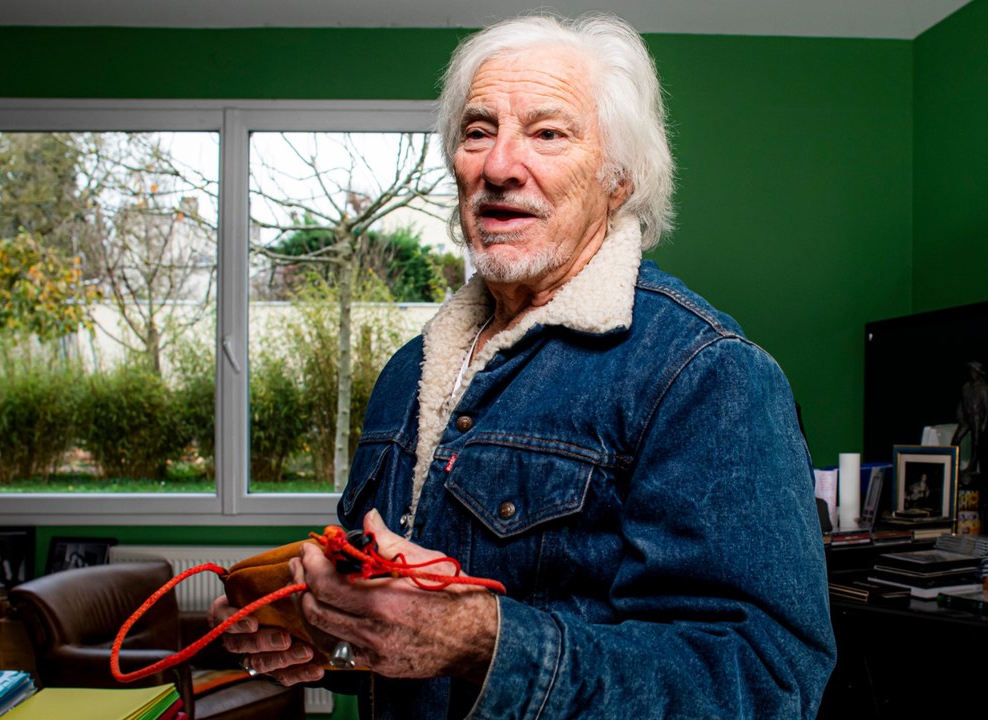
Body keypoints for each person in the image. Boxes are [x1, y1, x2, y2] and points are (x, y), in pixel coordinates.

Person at [211, 13, 836, 718]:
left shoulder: (706, 374)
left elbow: (766, 682)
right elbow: (403, 642)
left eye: (548, 133)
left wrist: (485, 639)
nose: (500, 166)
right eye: (479, 131)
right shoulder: (406, 376)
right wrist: (329, 639)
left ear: (618, 179)